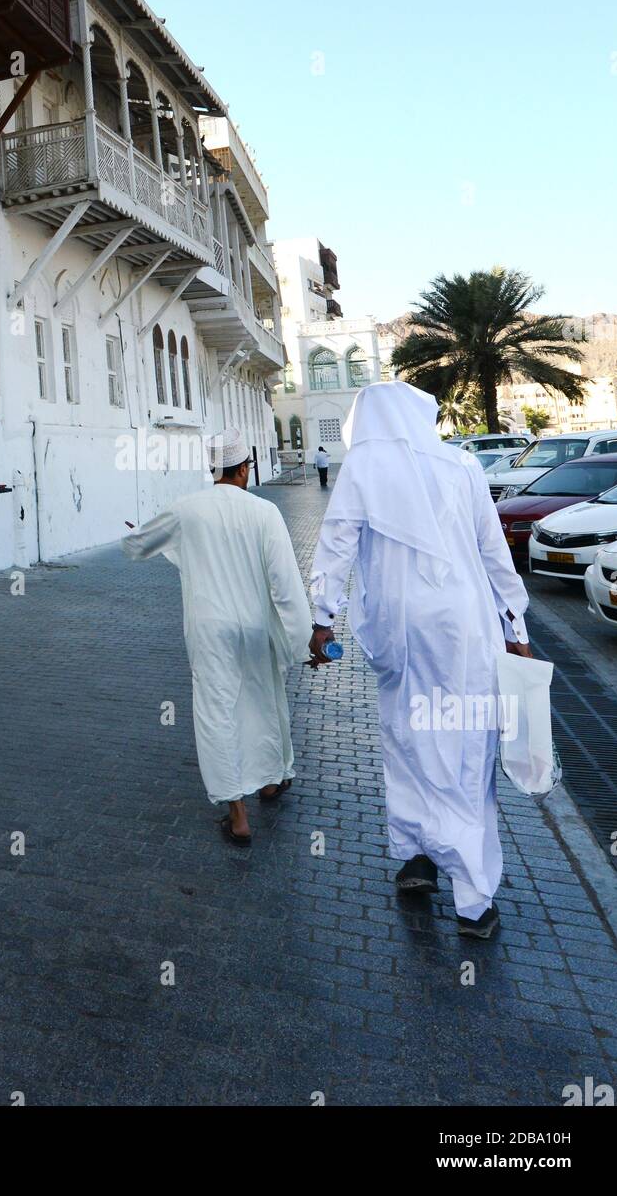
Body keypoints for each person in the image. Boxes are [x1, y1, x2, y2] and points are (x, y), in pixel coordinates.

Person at [307, 381, 532, 939]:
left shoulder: (362, 465)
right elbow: (493, 551)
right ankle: (470, 899)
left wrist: (321, 618)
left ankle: (420, 860)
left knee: (408, 739)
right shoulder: (461, 465)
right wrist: (517, 623)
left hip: (400, 631)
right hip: (464, 627)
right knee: (463, 749)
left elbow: (336, 543)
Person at [124, 428, 313, 846]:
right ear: (245, 468)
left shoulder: (186, 509)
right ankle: (269, 781)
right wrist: (303, 643)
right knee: (263, 699)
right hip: (255, 626)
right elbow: (286, 586)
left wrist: (137, 533)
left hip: (210, 629)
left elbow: (137, 546)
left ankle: (238, 815)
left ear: (214, 469)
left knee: (217, 711)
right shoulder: (264, 513)